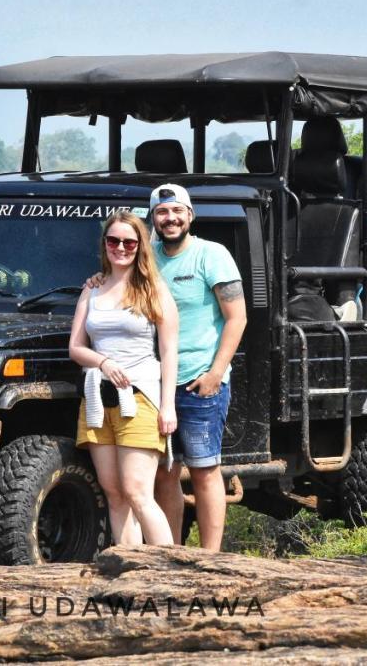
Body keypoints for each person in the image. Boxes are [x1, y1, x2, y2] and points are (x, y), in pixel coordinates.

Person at [87, 183, 247, 550]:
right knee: (163, 473)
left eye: (177, 212)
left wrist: (215, 373)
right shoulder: (145, 255)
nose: (170, 218)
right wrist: (98, 279)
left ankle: (211, 559)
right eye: (162, 213)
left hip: (197, 379)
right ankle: (170, 555)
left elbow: (236, 318)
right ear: (152, 219)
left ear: (190, 215)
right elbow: (115, 277)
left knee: (205, 471)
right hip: (150, 383)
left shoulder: (212, 255)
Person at [69, 211, 179, 546]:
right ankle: (130, 571)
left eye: (129, 242)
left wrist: (168, 407)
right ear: (105, 244)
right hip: (98, 399)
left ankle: (171, 570)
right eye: (114, 240)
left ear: (140, 246)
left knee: (138, 492)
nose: (121, 247)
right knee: (115, 494)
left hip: (141, 395)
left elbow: (170, 351)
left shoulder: (153, 290)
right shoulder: (93, 289)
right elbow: (75, 347)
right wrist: (102, 362)